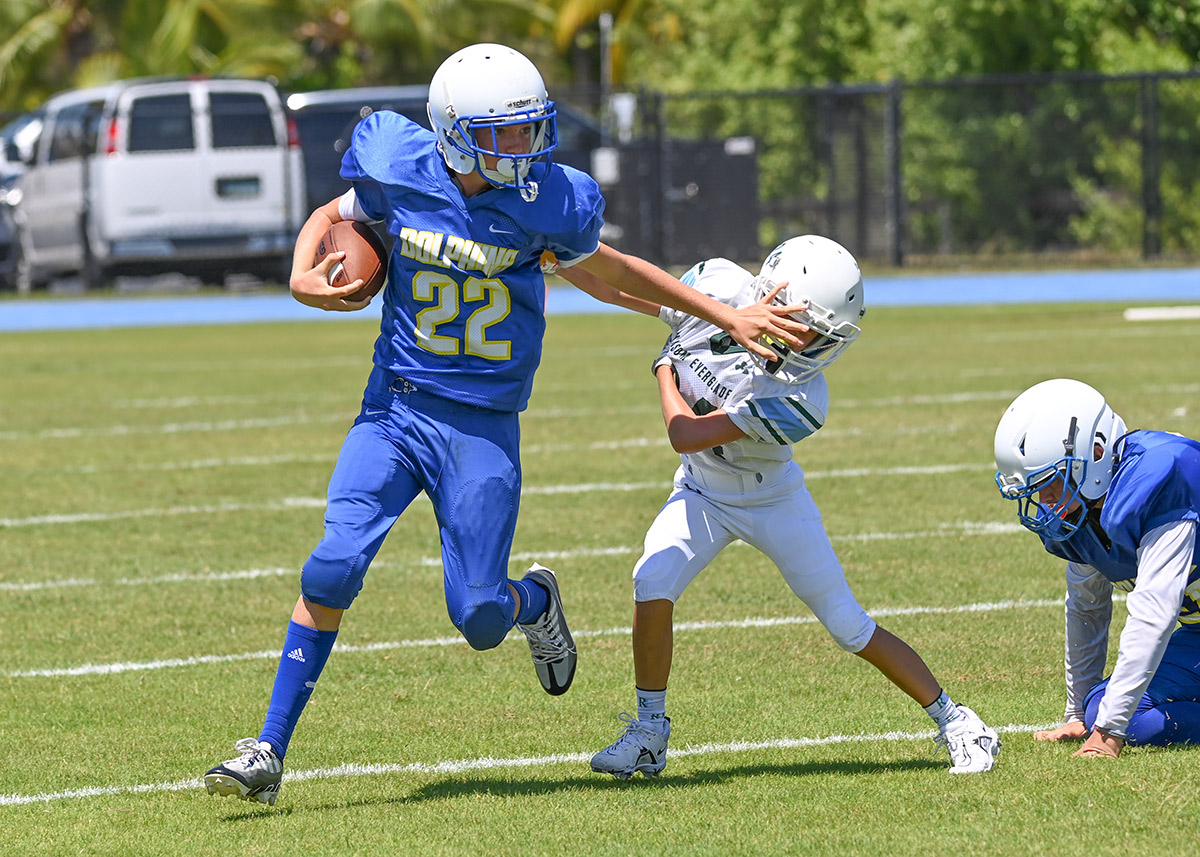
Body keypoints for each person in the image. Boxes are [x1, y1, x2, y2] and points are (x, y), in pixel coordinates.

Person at [202, 43, 808, 806]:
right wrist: (300, 274)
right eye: (507, 132)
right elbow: (335, 213)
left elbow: (605, 270)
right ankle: (267, 750)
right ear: (454, 134)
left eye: (529, 128)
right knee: (332, 564)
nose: (526, 145)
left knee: (480, 616)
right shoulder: (398, 163)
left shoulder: (547, 200)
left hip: (482, 428)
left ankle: (537, 603)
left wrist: (722, 312)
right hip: (395, 406)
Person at [556, 234, 1001, 779]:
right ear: (771, 294)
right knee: (651, 584)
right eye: (806, 324)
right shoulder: (718, 285)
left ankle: (959, 722)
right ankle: (650, 733)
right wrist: (560, 261)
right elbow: (627, 292)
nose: (813, 341)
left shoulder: (803, 398)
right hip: (701, 489)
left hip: (770, 498)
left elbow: (684, 433)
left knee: (848, 625)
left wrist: (663, 370)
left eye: (823, 333)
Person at [993, 378, 1200, 757]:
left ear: (1097, 453)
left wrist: (1108, 733)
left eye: (1050, 482)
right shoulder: (1085, 507)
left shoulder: (1162, 475)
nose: (1044, 499)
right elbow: (1087, 606)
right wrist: (1081, 715)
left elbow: (1156, 608)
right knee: (1099, 705)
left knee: (1122, 718)